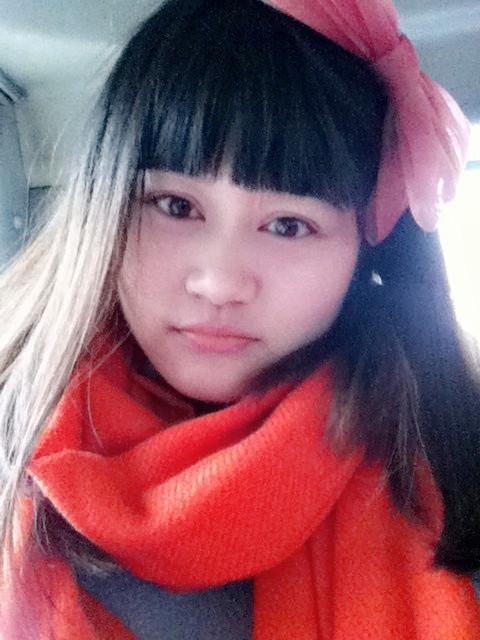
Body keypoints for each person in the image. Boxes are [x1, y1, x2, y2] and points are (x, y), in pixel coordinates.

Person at [0, 0, 479, 637]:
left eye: (289, 225)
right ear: (102, 208)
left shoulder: (450, 458)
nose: (220, 282)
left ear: (364, 249)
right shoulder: (14, 425)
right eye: (174, 205)